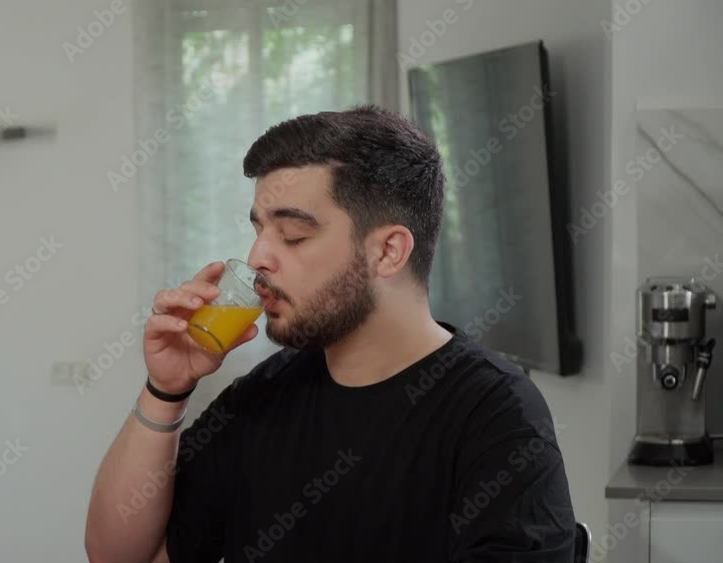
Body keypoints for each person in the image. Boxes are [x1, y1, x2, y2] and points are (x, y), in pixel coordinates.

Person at [85, 105, 576, 563]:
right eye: (258, 231)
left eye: (292, 235)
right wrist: (165, 390)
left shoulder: (497, 416)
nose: (257, 258)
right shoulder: (263, 395)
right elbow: (120, 556)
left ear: (387, 252)